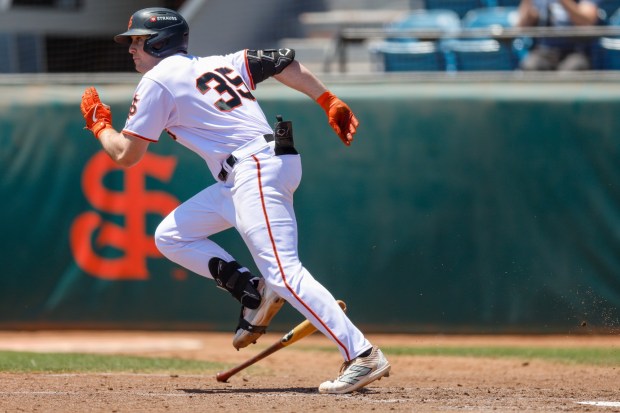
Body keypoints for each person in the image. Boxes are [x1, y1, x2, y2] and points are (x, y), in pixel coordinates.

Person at [79, 7, 390, 394]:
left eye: (138, 41)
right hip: (256, 167)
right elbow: (281, 61)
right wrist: (326, 98)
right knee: (172, 235)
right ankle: (251, 290)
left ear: (160, 42)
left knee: (285, 272)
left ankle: (361, 353)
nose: (131, 49)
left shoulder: (158, 80)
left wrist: (99, 126)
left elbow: (127, 155)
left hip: (252, 169)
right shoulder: (218, 63)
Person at [517, 0, 602, 71]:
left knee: (573, 68)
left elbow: (586, 22)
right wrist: (528, 5)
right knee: (530, 65)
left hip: (574, 51)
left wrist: (564, 2)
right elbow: (521, 26)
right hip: (544, 51)